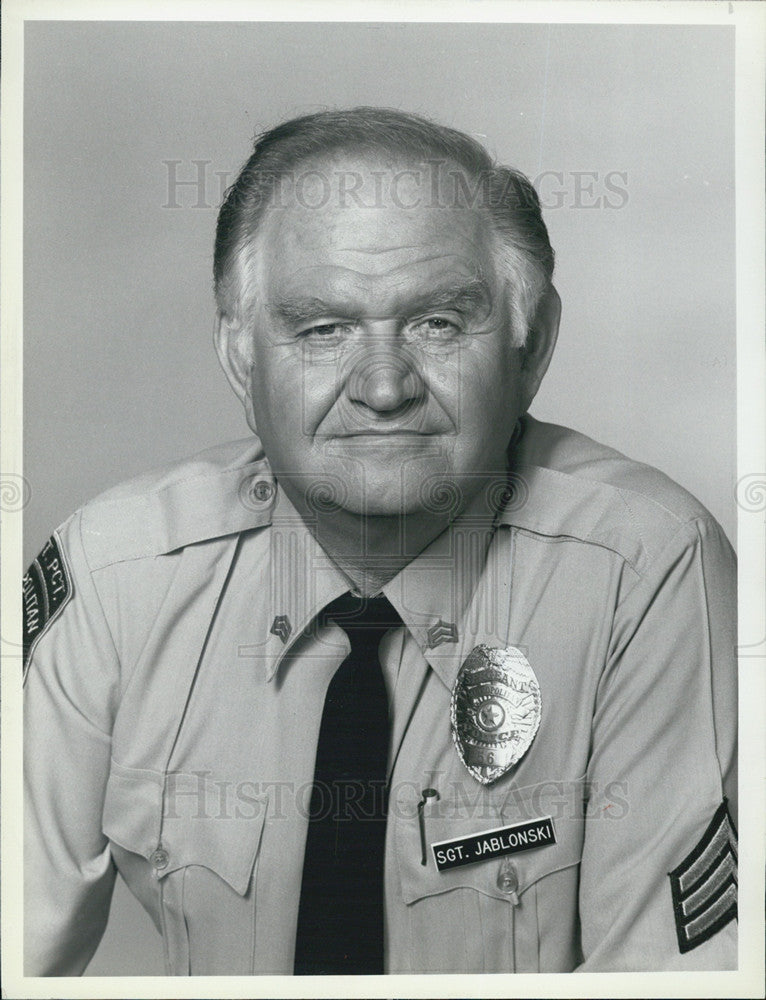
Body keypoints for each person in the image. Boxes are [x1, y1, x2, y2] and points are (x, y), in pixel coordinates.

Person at [23, 107, 737, 976]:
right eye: (323, 330)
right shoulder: (114, 575)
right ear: (242, 358)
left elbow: (667, 987)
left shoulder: (643, 569)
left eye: (437, 322)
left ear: (533, 343)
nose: (385, 386)